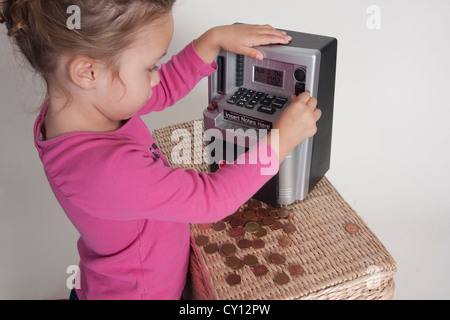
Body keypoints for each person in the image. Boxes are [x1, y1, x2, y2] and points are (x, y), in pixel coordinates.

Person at [0, 0, 321, 300]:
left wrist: (210, 41)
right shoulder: (103, 170)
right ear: (88, 73)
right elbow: (212, 199)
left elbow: (162, 89)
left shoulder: (85, 106)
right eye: (150, 67)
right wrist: (280, 142)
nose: (156, 79)